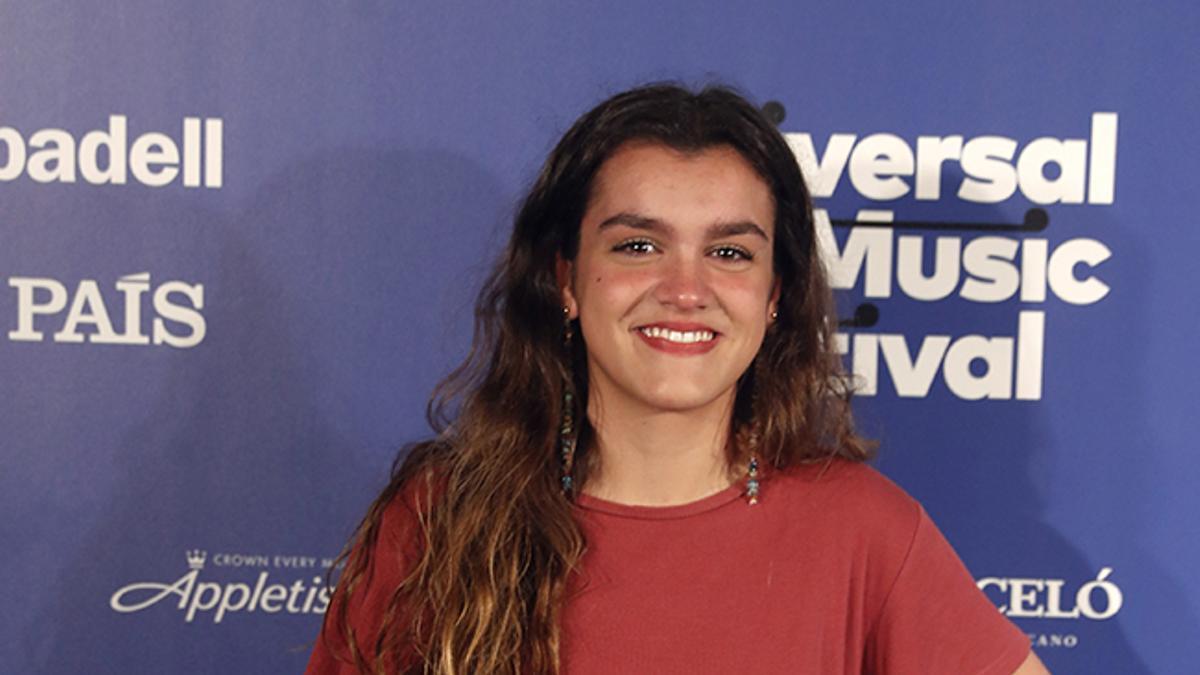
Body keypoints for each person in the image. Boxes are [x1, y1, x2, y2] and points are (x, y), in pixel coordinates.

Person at [305, 83, 1050, 674]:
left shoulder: (867, 534)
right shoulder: (440, 521)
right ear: (566, 278)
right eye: (637, 244)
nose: (685, 288)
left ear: (775, 293)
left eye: (729, 253)